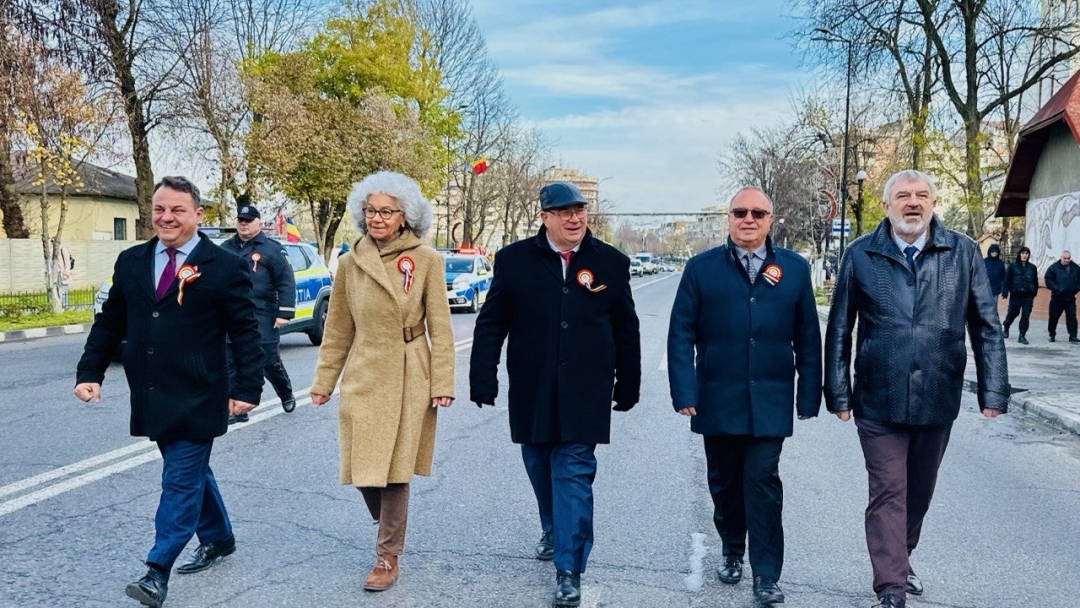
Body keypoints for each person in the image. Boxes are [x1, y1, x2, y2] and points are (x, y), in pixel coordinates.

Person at [74, 176, 263, 608]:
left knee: (179, 478)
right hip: (152, 390)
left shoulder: (224, 266)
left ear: (198, 215)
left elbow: (245, 332)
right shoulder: (132, 261)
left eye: (177, 210)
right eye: (160, 209)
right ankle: (218, 537)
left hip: (200, 391)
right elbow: (110, 322)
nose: (166, 217)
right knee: (192, 471)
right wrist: (90, 372)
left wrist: (247, 387)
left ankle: (156, 571)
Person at [825, 169, 1008, 608]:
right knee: (888, 490)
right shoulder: (861, 253)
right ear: (887, 205)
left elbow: (986, 324)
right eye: (903, 196)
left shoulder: (962, 251)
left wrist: (993, 391)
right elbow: (838, 329)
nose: (913, 203)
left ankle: (901, 558)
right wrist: (839, 393)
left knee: (919, 492)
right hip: (877, 397)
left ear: (932, 203)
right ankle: (890, 587)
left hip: (937, 395)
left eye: (921, 195)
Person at [469, 181, 641, 608]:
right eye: (564, 211)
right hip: (533, 387)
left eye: (579, 210)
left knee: (574, 472)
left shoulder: (611, 263)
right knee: (538, 460)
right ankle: (553, 526)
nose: (574, 218)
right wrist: (482, 377)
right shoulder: (513, 261)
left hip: (587, 390)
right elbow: (491, 323)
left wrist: (629, 382)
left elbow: (627, 329)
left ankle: (569, 568)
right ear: (544, 216)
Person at [667, 187, 821, 607]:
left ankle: (766, 576)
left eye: (758, 212)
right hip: (717, 397)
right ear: (729, 218)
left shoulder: (793, 268)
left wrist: (809, 395)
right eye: (740, 212)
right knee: (725, 483)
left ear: (771, 219)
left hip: (770, 399)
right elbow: (681, 333)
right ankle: (732, 549)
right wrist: (684, 389)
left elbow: (808, 337)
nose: (748, 219)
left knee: (763, 482)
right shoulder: (701, 270)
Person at [310, 171, 454, 592]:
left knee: (394, 470)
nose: (376, 218)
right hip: (365, 369)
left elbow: (441, 328)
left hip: (411, 371)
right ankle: (388, 520)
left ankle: (387, 556)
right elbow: (337, 330)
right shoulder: (349, 263)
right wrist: (323, 382)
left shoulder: (426, 260)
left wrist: (442, 381)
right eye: (370, 210)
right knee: (361, 466)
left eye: (386, 211)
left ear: (405, 216)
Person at [220, 205, 297, 422]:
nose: (244, 224)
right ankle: (237, 409)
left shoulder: (272, 249)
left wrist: (284, 313)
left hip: (262, 313)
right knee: (231, 360)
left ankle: (285, 391)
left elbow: (285, 281)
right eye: (241, 220)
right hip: (233, 314)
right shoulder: (226, 248)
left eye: (249, 220)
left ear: (259, 224)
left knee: (267, 360)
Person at [1001, 246, 1038, 344]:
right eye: (1023, 253)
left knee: (1026, 315)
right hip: (1016, 294)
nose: (1025, 255)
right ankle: (1006, 325)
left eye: (1026, 254)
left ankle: (1022, 335)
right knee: (1013, 313)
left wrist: (1034, 292)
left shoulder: (1032, 268)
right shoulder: (1013, 267)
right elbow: (1007, 280)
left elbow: (1035, 281)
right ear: (1020, 254)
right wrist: (1005, 293)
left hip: (1028, 295)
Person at [1044, 250, 1080, 342]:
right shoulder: (1054, 268)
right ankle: (1052, 334)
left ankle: (1073, 336)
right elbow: (1048, 279)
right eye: (1065, 258)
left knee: (1072, 316)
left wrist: (1076, 288)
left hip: (1070, 297)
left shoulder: (1075, 268)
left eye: (1068, 258)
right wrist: (1056, 288)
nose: (1066, 260)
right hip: (1057, 297)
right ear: (1061, 257)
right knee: (1054, 317)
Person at [54, 241, 72, 308]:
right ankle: (58, 306)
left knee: (63, 291)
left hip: (62, 274)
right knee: (57, 291)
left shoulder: (62, 249)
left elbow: (67, 262)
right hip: (55, 274)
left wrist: (66, 273)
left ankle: (65, 306)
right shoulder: (52, 250)